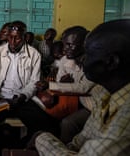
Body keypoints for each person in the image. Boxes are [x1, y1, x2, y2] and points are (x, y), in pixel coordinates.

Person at [31, 19, 130, 155]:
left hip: (81, 104)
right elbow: (81, 140)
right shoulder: (105, 96)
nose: (84, 59)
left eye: (88, 54)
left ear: (111, 62)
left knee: (66, 123)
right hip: (80, 104)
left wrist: (41, 139)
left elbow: (81, 87)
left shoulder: (126, 115)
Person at [0, 21, 59, 154]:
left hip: (22, 99)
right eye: (10, 37)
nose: (12, 41)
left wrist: (22, 97)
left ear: (24, 37)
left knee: (47, 125)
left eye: (17, 38)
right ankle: (10, 147)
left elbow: (34, 82)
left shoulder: (34, 55)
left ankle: (16, 146)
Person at [36, 26, 95, 144]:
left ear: (84, 44)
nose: (65, 49)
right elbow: (59, 82)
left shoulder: (93, 62)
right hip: (76, 101)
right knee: (46, 117)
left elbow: (83, 87)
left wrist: (50, 85)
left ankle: (65, 150)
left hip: (93, 107)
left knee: (68, 123)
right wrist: (59, 84)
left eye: (70, 45)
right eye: (64, 44)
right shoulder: (65, 60)